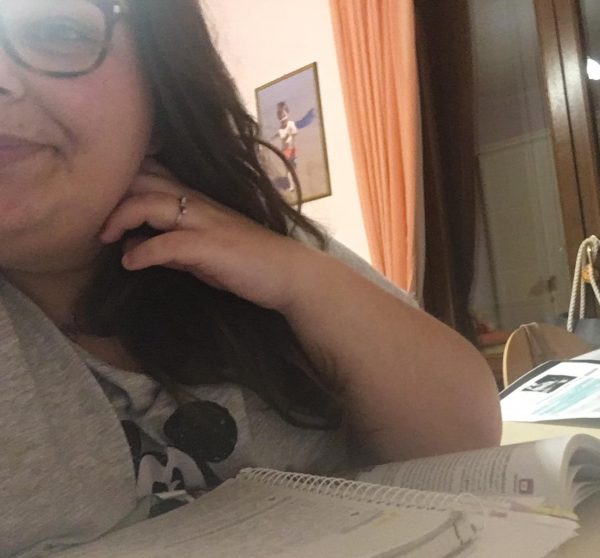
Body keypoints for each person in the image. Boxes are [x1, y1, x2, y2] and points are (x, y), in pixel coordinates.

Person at [0, 0, 501, 555]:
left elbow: (464, 444)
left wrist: (301, 280)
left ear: (160, 94)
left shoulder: (246, 240)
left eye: (57, 29)